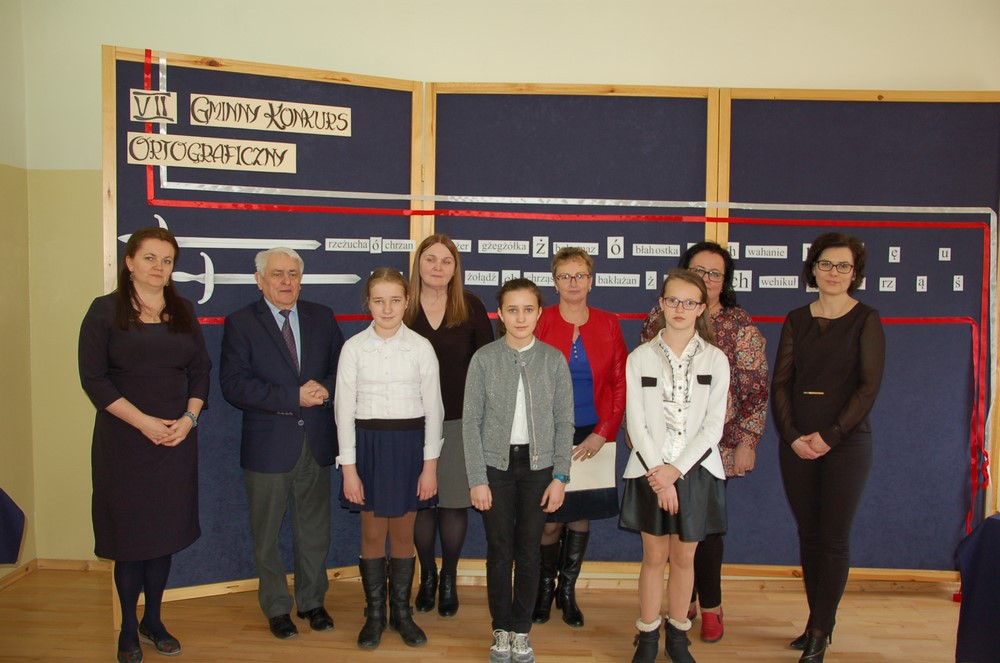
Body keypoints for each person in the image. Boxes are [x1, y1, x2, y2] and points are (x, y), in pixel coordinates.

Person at [78, 227, 211, 663]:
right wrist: (143, 424)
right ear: (130, 262)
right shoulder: (103, 311)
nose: (159, 267)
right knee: (130, 539)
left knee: (162, 535)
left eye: (167, 260)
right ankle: (127, 628)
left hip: (175, 440)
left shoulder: (183, 311)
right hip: (125, 443)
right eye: (150, 258)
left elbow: (201, 371)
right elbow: (94, 379)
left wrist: (189, 420)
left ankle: (153, 619)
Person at [638, 241, 769, 643]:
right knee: (666, 539)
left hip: (715, 447)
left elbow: (755, 390)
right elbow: (643, 390)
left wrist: (747, 440)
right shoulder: (657, 321)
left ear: (724, 281)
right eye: (699, 270)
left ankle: (710, 604)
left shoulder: (740, 326)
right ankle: (683, 604)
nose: (707, 279)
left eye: (715, 273)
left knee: (702, 535)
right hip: (660, 451)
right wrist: (648, 450)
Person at [219, 247, 344, 641]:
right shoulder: (241, 323)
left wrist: (325, 389)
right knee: (267, 536)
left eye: (293, 274)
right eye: (277, 274)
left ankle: (312, 601)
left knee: (314, 532)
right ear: (260, 280)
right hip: (268, 447)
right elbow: (234, 385)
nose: (286, 281)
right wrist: (294, 397)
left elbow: (343, 371)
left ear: (301, 280)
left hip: (316, 443)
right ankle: (276, 607)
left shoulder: (322, 317)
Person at [772, 232, 885, 663]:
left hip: (846, 443)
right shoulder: (796, 318)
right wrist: (792, 435)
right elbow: (781, 383)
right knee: (809, 533)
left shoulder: (866, 319)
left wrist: (829, 436)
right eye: (826, 264)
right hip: (797, 443)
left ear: (855, 274)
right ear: (813, 269)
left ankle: (821, 631)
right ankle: (815, 621)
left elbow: (867, 388)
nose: (833, 272)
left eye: (843, 266)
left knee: (834, 537)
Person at [463, 278, 574, 663]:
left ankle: (521, 630)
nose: (521, 317)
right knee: (499, 550)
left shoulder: (553, 360)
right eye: (513, 310)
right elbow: (470, 423)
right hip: (495, 467)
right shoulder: (484, 359)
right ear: (500, 314)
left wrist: (560, 476)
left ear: (539, 313)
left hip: (539, 468)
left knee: (529, 550)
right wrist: (477, 478)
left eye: (528, 309)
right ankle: (501, 628)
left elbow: (564, 422)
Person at [621, 269, 730, 663]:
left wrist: (676, 471)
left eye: (689, 302)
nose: (680, 308)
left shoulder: (716, 359)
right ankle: (648, 635)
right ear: (661, 304)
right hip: (650, 471)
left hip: (696, 471)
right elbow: (636, 424)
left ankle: (679, 638)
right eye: (672, 300)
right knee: (654, 558)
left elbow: (713, 427)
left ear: (701, 308)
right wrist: (660, 474)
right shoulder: (640, 357)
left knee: (685, 558)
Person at [336, 267, 444, 649]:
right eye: (379, 301)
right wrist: (349, 470)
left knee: (402, 533)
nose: (387, 308)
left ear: (406, 301)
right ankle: (374, 615)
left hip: (409, 448)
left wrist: (429, 467)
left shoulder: (421, 348)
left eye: (395, 300)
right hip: (367, 448)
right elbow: (343, 412)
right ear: (368, 303)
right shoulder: (353, 349)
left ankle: (401, 613)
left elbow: (434, 410)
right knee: (371, 533)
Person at [532, 247, 627, 628]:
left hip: (593, 433)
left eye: (580, 275)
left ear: (592, 280)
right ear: (554, 283)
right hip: (547, 432)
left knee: (579, 517)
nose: (573, 283)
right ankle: (544, 589)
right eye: (565, 276)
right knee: (549, 519)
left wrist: (604, 433)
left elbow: (619, 383)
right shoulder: (540, 320)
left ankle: (567, 592)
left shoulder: (608, 323)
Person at [406, 235, 494, 617]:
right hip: (410, 423)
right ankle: (427, 575)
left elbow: (488, 366)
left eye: (446, 261)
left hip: (459, 421)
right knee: (422, 504)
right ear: (419, 265)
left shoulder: (470, 306)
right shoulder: (403, 306)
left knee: (454, 504)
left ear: (456, 268)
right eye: (431, 259)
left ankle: (449, 578)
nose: (438, 267)